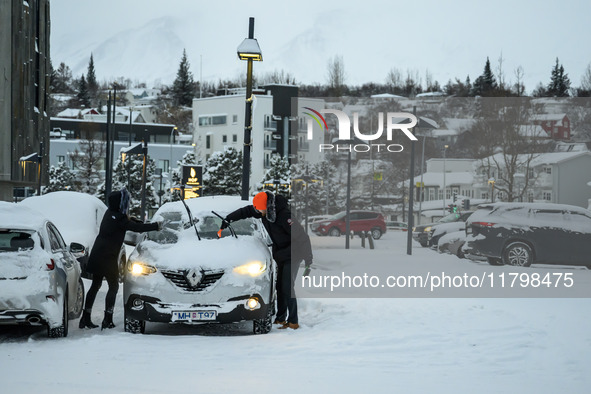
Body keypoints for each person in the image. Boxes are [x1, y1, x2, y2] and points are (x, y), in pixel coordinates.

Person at [222, 191, 312, 330]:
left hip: (294, 253)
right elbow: (245, 211)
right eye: (257, 209)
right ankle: (281, 319)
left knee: (287, 286)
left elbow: (302, 237)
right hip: (281, 254)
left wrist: (308, 259)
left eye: (260, 209)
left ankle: (293, 321)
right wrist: (228, 219)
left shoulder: (284, 216)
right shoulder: (263, 210)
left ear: (268, 207)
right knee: (280, 287)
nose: (257, 211)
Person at [79, 188, 161, 330]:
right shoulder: (120, 219)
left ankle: (85, 317)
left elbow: (128, 222)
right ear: (120, 203)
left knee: (95, 286)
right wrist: (156, 226)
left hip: (97, 254)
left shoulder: (110, 213)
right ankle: (107, 319)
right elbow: (136, 228)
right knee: (113, 286)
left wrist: (133, 220)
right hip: (108, 258)